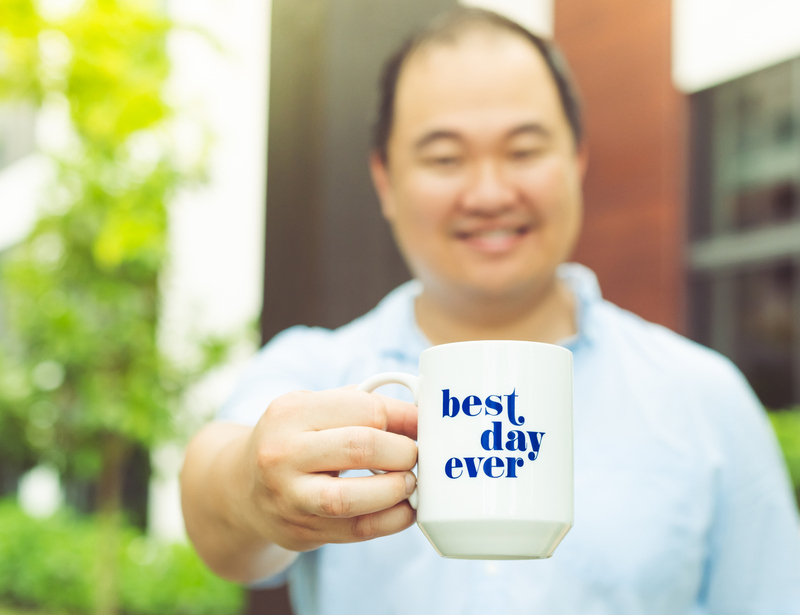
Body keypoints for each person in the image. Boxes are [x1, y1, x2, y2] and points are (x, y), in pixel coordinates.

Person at [181, 8, 800, 614]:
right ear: (385, 181)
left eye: (524, 150)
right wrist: (254, 492)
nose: (489, 194)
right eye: (445, 159)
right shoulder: (319, 369)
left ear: (577, 160)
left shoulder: (705, 398)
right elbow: (221, 519)